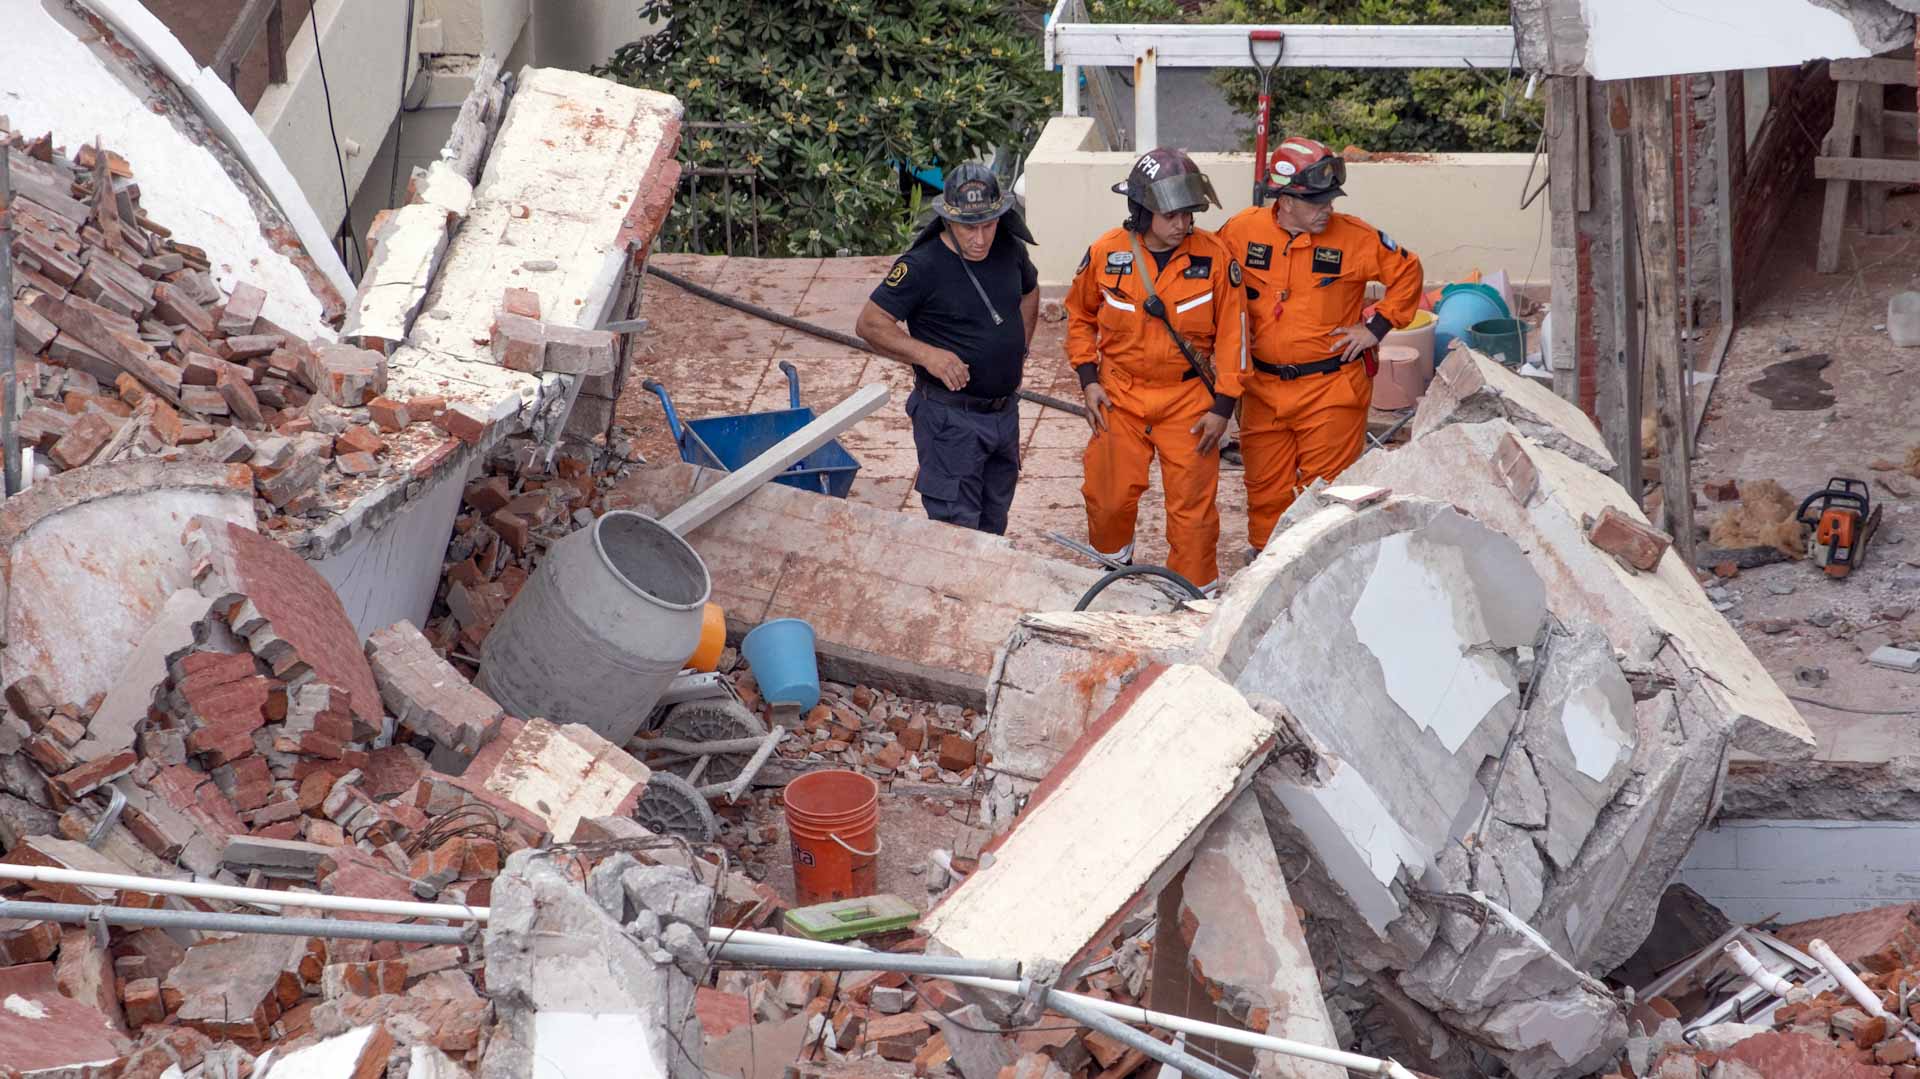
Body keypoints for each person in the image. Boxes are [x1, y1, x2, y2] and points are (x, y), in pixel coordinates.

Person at [1217, 137, 1423, 555]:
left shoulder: (1356, 238)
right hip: (1262, 390)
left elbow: (1408, 272)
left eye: (1330, 199)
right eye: (1316, 202)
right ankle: (1265, 567)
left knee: (1328, 496)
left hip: (1330, 389)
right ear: (1285, 199)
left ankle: (1324, 574)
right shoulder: (1242, 231)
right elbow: (1213, 278)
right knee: (1265, 492)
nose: (1327, 209)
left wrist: (1376, 328)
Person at [1064, 148, 1247, 593]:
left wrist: (1223, 408)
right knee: (1107, 498)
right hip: (1119, 397)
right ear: (1142, 211)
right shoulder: (1107, 253)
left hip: (1189, 405)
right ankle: (1110, 576)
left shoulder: (1216, 259)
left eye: (1188, 213)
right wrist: (1089, 381)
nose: (1183, 224)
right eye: (1171, 215)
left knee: (1193, 513)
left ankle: (1193, 597)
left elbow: (1234, 339)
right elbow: (1079, 316)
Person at [856, 163, 1040, 534]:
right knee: (956, 530)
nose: (980, 238)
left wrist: (1019, 349)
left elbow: (1030, 290)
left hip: (1003, 415)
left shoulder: (1009, 247)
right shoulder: (922, 265)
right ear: (947, 221)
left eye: (988, 225)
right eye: (968, 227)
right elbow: (869, 323)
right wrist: (928, 355)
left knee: (993, 523)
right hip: (950, 419)